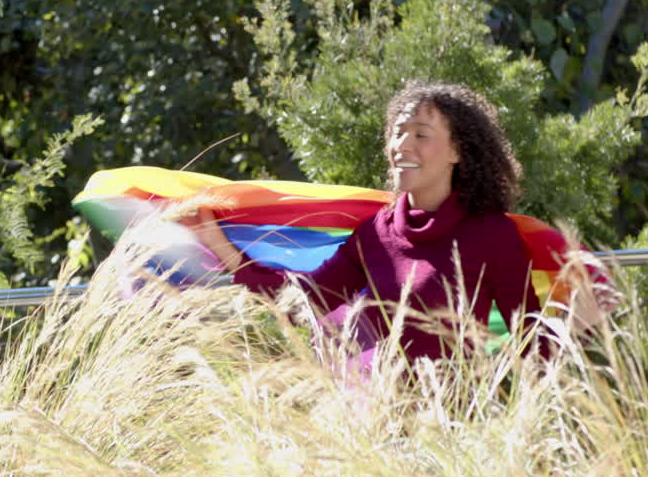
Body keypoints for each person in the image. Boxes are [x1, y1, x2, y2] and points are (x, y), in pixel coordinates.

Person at [194, 80, 542, 367]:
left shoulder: (492, 235)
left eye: (420, 135)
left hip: (455, 425)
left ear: (457, 151)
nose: (401, 146)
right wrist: (218, 243)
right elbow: (303, 303)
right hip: (381, 424)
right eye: (398, 133)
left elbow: (534, 341)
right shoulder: (377, 232)